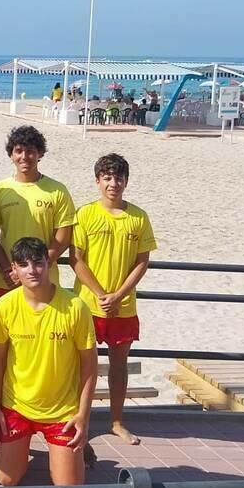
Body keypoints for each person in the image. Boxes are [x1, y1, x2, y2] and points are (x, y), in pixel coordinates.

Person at [0, 237, 97, 486]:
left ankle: (75, 453)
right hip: (17, 405)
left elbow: (90, 365)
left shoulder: (75, 307)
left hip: (62, 410)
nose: (32, 270)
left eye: (38, 263)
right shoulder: (4, 306)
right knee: (5, 480)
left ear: (49, 263)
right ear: (13, 269)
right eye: (23, 265)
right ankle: (18, 449)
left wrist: (83, 416)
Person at [70, 153, 155, 446]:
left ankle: (117, 421)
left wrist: (118, 295)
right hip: (87, 305)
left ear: (126, 181)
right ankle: (80, 418)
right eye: (107, 177)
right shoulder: (85, 214)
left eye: (118, 178)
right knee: (83, 365)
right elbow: (76, 259)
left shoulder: (138, 217)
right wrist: (100, 294)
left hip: (124, 306)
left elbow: (143, 262)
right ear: (98, 181)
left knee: (119, 365)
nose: (113, 183)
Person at [0, 125, 77, 311]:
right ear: (11, 155)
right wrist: (9, 271)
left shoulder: (57, 190)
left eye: (30, 151)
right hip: (6, 282)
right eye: (18, 151)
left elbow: (63, 237)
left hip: (45, 281)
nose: (24, 157)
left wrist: (37, 268)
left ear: (40, 153)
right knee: (1, 338)